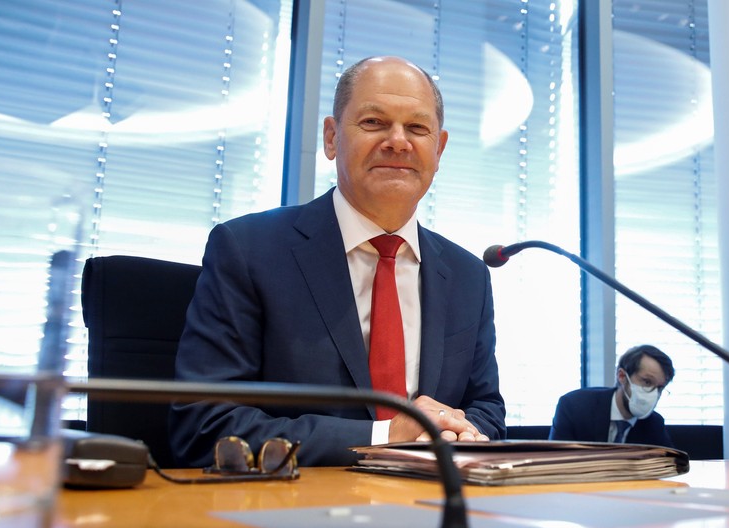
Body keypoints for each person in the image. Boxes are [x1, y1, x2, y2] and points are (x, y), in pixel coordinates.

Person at [169, 56, 506, 467]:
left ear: (439, 148)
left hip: (435, 509)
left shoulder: (468, 275)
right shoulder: (248, 250)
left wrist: (458, 432)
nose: (398, 141)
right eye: (373, 123)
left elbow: (486, 406)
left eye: (417, 128)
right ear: (331, 138)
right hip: (292, 515)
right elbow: (206, 425)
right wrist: (385, 437)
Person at [548, 344, 675, 447]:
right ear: (622, 376)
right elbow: (556, 463)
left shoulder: (654, 423)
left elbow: (669, 466)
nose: (654, 394)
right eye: (647, 382)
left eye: (659, 387)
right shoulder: (574, 407)